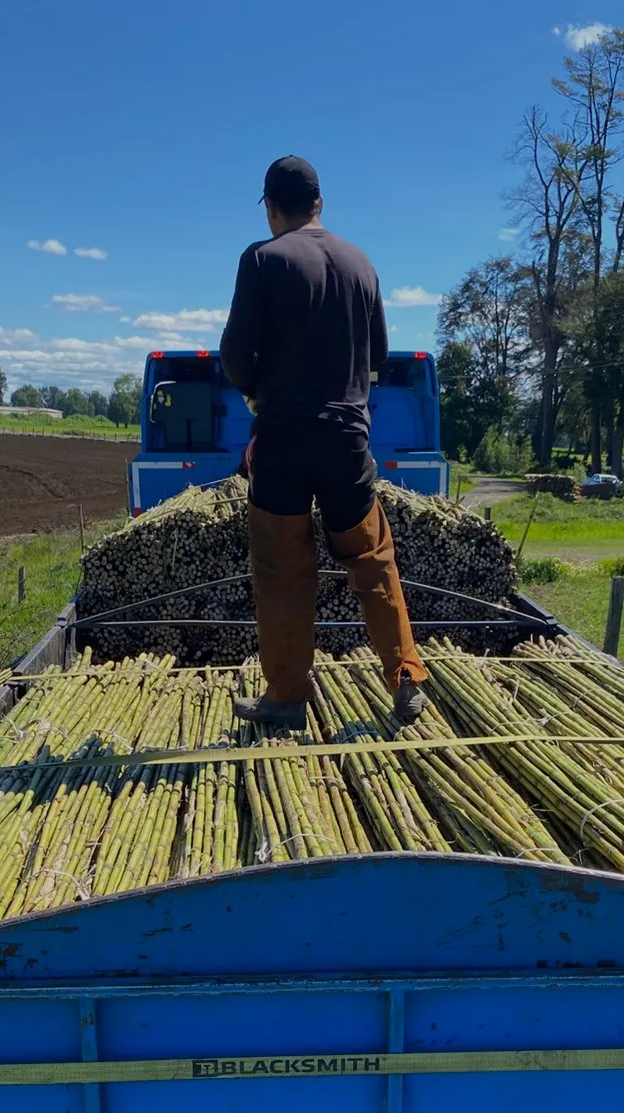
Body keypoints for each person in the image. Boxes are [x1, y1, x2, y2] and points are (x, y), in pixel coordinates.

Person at [220, 155, 428, 730]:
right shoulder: (361, 263)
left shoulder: (262, 260)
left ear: (269, 207)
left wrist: (258, 392)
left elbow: (235, 355)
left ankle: (286, 699)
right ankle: (407, 678)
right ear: (320, 204)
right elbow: (380, 353)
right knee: (372, 558)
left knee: (282, 568)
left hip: (283, 442)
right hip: (346, 442)